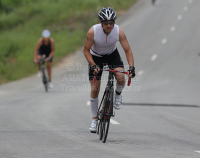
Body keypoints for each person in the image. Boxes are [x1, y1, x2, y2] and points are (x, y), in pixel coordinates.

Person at [83, 7, 135, 133]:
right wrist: (93, 65)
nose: (109, 25)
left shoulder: (118, 32)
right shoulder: (93, 32)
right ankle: (94, 119)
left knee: (121, 77)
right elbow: (86, 50)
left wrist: (132, 67)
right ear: (101, 23)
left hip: (112, 55)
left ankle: (117, 94)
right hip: (96, 57)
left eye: (112, 22)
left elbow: (127, 50)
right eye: (106, 23)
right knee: (95, 88)